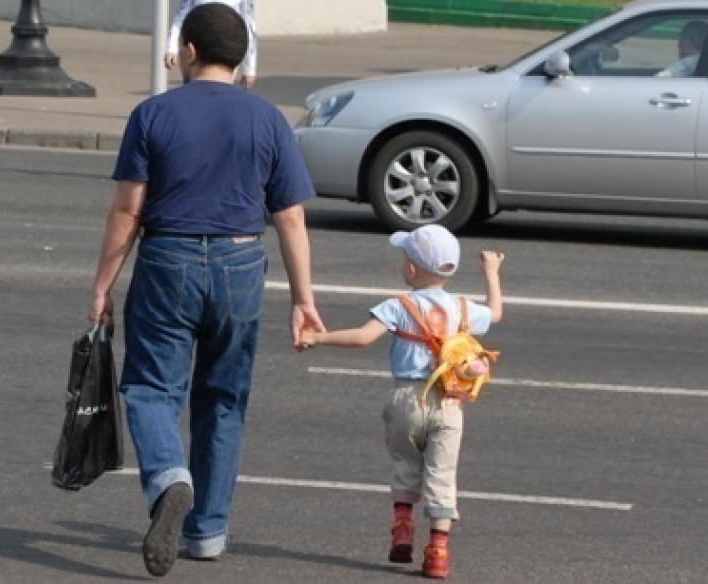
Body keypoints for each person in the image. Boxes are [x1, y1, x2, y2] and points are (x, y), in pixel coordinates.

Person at [88, 4, 324, 577]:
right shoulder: (268, 119)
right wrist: (304, 300)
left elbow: (128, 209)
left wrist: (101, 286)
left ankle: (170, 478)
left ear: (189, 52)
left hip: (167, 257)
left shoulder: (153, 114)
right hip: (242, 260)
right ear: (240, 57)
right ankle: (209, 532)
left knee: (149, 387)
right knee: (223, 398)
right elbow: (289, 217)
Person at [299, 225, 505, 580]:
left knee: (404, 464)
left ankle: (403, 527)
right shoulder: (462, 309)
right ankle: (438, 551)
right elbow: (496, 313)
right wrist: (491, 272)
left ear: (411, 269)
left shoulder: (398, 305)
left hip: (406, 399)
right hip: (448, 402)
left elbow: (363, 338)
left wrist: (319, 338)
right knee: (442, 475)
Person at [164, 0, 257, 89]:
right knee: (195, 85)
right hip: (199, 45)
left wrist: (249, 69)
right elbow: (181, 16)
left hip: (227, 45)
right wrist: (171, 48)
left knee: (220, 86)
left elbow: (248, 24)